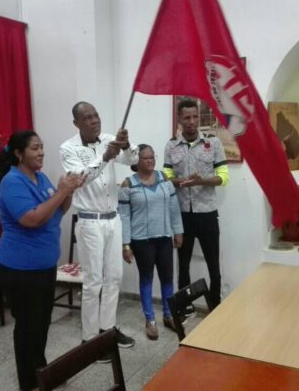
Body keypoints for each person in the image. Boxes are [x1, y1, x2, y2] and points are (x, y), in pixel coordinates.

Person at [0, 130, 84, 391]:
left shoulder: (40, 178)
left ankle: (41, 371)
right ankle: (28, 383)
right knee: (27, 326)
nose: (41, 152)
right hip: (19, 268)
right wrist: (61, 191)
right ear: (19, 154)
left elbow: (57, 212)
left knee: (42, 322)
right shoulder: (12, 182)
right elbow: (31, 219)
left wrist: (69, 191)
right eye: (35, 148)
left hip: (43, 267)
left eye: (42, 147)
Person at [60, 101, 138, 349]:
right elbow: (80, 179)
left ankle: (108, 329)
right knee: (94, 281)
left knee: (114, 277)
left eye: (96, 115)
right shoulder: (67, 148)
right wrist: (104, 158)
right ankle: (90, 339)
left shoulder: (107, 139)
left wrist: (126, 145)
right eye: (87, 118)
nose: (94, 121)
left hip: (113, 219)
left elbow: (132, 160)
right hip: (90, 221)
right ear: (76, 123)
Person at [163, 99, 230, 314]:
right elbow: (166, 176)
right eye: (187, 118)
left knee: (213, 264)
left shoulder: (214, 143)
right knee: (183, 264)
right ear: (180, 119)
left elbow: (224, 178)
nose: (192, 122)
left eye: (195, 117)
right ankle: (185, 306)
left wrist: (201, 181)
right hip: (183, 215)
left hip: (207, 213)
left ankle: (215, 305)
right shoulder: (171, 145)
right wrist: (180, 181)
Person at [118, 144, 183, 340]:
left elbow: (174, 208)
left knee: (167, 278)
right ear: (136, 161)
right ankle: (150, 320)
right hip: (141, 241)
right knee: (146, 278)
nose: (151, 160)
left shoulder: (165, 179)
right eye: (146, 158)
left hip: (163, 237)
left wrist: (178, 231)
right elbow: (124, 217)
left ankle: (169, 315)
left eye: (152, 157)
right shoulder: (128, 184)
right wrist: (126, 244)